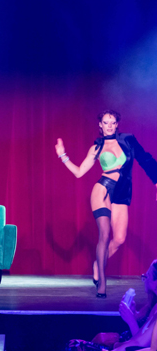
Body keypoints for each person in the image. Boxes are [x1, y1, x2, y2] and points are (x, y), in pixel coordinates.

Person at [55, 110, 157, 298]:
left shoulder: (128, 140)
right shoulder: (97, 147)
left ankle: (97, 264)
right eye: (105, 122)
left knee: (119, 239)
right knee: (104, 234)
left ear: (117, 124)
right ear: (100, 125)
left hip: (121, 194)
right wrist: (63, 155)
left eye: (112, 122)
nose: (109, 125)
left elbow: (144, 158)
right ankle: (102, 284)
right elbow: (79, 172)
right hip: (102, 190)